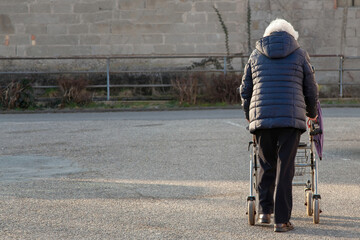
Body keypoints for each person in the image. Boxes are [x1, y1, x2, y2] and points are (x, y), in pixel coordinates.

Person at [240, 18, 318, 232]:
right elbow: (311, 89)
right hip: (290, 119)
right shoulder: (300, 54)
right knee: (285, 168)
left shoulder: (255, 55)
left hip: (262, 119)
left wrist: (250, 115)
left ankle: (265, 213)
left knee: (265, 165)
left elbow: (245, 90)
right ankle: (281, 221)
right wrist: (311, 114)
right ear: (291, 36)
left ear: (268, 35)